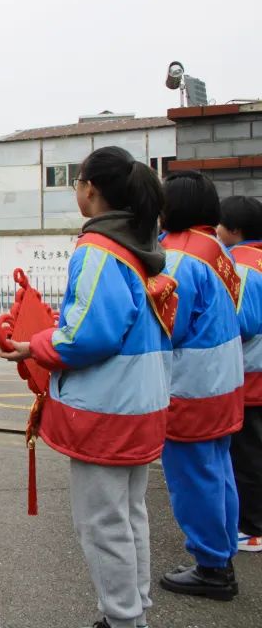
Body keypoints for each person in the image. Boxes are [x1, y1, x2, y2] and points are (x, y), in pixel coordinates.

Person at [0, 146, 172, 628]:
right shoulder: (139, 247)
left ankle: (122, 619)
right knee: (130, 514)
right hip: (142, 402)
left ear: (89, 189)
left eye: (76, 182)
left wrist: (33, 344)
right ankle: (133, 607)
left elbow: (87, 336)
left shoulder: (96, 249)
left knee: (101, 523)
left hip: (106, 406)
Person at [155, 172, 244, 601]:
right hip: (224, 380)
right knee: (219, 471)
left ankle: (211, 567)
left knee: (193, 479)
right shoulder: (217, 249)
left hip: (192, 386)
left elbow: (164, 325)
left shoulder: (177, 256)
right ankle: (222, 554)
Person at [219, 195, 262, 554]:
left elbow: (243, 323)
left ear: (234, 230)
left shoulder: (242, 265)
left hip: (252, 378)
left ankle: (252, 528)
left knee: (247, 456)